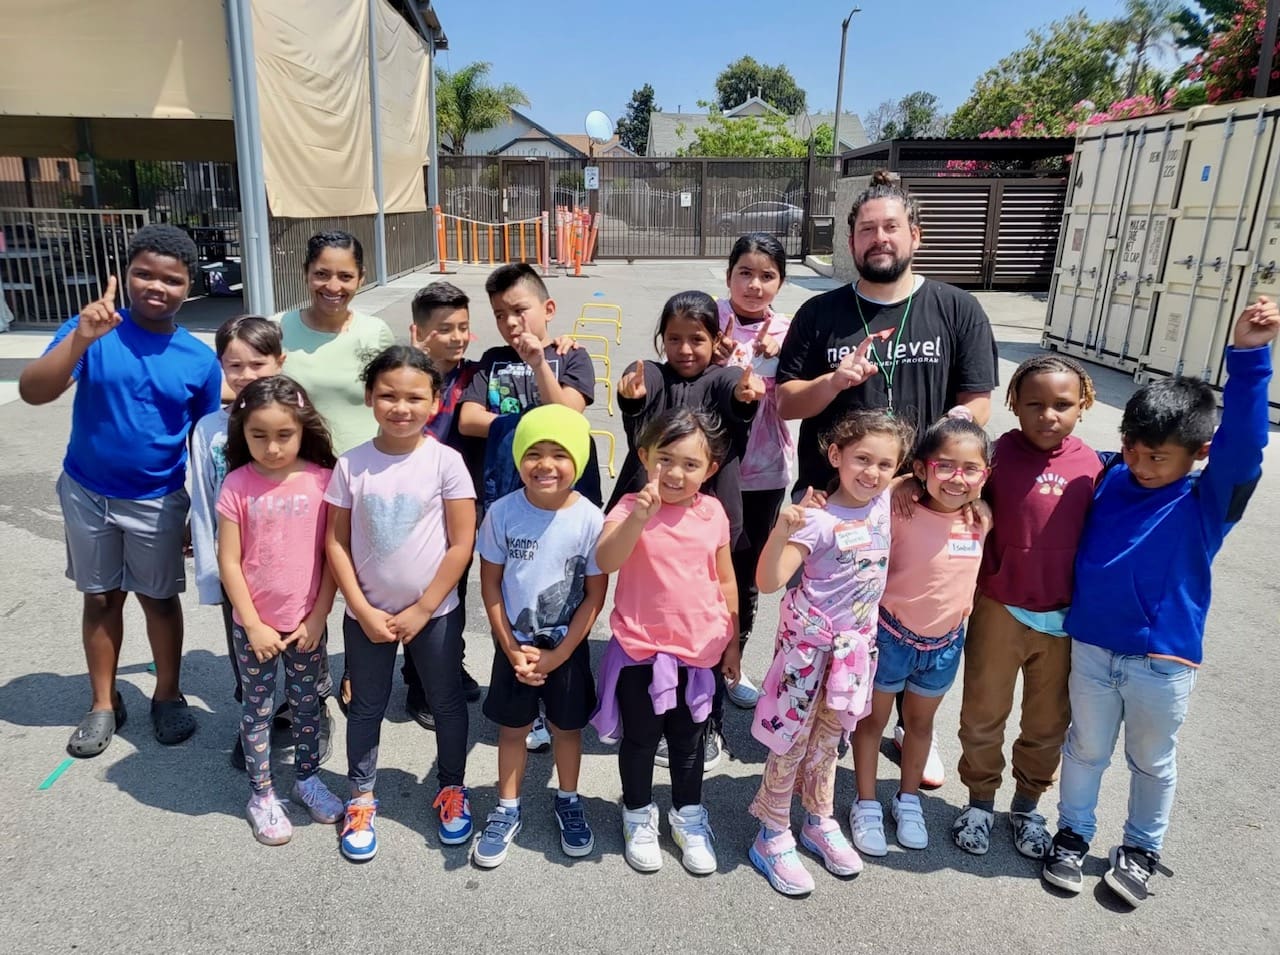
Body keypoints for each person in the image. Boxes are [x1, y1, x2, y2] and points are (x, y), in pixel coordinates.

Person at [1042, 299, 1277, 907]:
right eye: (1136, 450)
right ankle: (1072, 835)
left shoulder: (1208, 499)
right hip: (1092, 647)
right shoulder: (1114, 473)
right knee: (1086, 750)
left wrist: (1250, 358)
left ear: (1197, 454)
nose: (1144, 467)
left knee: (1151, 762)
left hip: (1162, 661)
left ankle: (1141, 848)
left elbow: (1246, 445)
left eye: (1160, 457)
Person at [777, 169, 999, 787]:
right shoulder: (821, 313)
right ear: (851, 241)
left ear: (915, 236)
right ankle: (828, 717)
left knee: (914, 614)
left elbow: (977, 400)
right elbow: (785, 402)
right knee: (834, 618)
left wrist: (942, 457)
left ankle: (908, 730)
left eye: (891, 227)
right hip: (837, 502)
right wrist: (836, 382)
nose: (880, 238)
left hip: (922, 505)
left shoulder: (955, 308)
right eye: (867, 228)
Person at [19, 224, 221, 758]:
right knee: (101, 596)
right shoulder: (92, 329)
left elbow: (204, 444)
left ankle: (168, 694)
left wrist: (195, 516)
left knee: (159, 598)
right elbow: (34, 391)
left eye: (172, 279)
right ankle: (103, 702)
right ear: (125, 276)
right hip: (87, 490)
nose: (157, 286)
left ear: (189, 286)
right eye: (144, 274)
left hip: (157, 497)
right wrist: (82, 337)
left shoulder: (198, 360)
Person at [748, 410, 912, 895]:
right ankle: (772, 830)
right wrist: (784, 527)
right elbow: (768, 580)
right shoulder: (816, 521)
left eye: (885, 463)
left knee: (829, 740)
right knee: (791, 741)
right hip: (808, 655)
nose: (873, 472)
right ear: (835, 456)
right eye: (862, 458)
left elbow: (932, 470)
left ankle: (818, 817)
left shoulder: (883, 503)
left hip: (855, 655)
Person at [324, 346, 477, 862]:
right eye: (388, 395)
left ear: (435, 402)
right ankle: (361, 796)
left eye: (415, 396)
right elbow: (336, 544)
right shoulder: (351, 465)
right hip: (365, 614)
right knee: (365, 707)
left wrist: (424, 606)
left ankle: (452, 789)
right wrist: (361, 609)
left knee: (446, 701)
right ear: (370, 397)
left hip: (433, 614)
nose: (400, 406)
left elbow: (461, 543)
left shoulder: (446, 462)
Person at [951, 355, 1100, 860]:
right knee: (983, 714)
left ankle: (1028, 806)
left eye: (1062, 404)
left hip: (1062, 617)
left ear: (1084, 404)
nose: (1047, 415)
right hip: (999, 606)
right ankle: (978, 802)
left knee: (1046, 722)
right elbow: (954, 495)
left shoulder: (1093, 466)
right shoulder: (994, 456)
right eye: (1034, 404)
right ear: (1013, 403)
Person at [607, 290, 764, 768]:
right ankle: (647, 702)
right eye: (673, 339)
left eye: (697, 339)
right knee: (656, 601)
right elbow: (644, 390)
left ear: (717, 339)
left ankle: (707, 712)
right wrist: (631, 399)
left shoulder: (722, 379)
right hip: (654, 511)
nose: (685, 349)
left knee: (715, 606)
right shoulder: (656, 373)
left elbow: (734, 395)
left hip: (710, 515)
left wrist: (743, 398)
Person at [593, 408, 742, 876]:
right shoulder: (627, 508)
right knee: (640, 740)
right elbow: (606, 558)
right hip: (642, 650)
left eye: (691, 464)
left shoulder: (713, 511)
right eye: (665, 460)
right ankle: (637, 812)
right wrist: (639, 515)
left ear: (710, 469)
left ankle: (689, 814)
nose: (676, 473)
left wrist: (733, 641)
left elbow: (725, 579)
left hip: (700, 653)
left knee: (689, 740)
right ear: (644, 456)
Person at [470, 406, 606, 868]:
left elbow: (593, 596)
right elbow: (489, 584)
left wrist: (560, 654)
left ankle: (568, 798)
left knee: (568, 730)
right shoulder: (503, 513)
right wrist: (509, 647)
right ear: (518, 457)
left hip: (565, 651)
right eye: (533, 453)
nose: (545, 464)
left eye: (559, 454)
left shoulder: (590, 519)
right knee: (512, 730)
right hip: (514, 649)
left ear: (579, 461)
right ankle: (507, 808)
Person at [850, 410, 992, 855]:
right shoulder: (899, 506)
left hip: (945, 644)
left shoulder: (982, 517)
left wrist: (931, 480)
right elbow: (876, 490)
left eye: (970, 469)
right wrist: (906, 483)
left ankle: (908, 798)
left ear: (985, 475)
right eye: (944, 466)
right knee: (872, 721)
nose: (957, 478)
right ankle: (866, 800)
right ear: (920, 468)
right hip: (890, 636)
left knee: (920, 725)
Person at [216, 375, 343, 844]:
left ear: (303, 429)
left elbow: (334, 556)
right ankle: (262, 794)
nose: (271, 447)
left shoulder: (322, 480)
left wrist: (318, 617)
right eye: (258, 436)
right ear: (242, 433)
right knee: (258, 707)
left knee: (308, 704)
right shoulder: (236, 484)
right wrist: (252, 624)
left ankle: (307, 778)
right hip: (256, 629)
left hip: (306, 625)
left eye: (284, 435)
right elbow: (229, 560)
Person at [189, 315, 294, 769]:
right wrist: (210, 574)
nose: (247, 375)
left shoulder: (297, 424)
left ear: (280, 362)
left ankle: (303, 710)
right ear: (221, 367)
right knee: (245, 643)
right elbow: (201, 500)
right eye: (235, 365)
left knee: (302, 641)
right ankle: (256, 715)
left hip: (290, 565)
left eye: (258, 364)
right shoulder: (209, 430)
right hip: (237, 565)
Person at [711, 233, 794, 710]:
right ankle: (695, 659)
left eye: (767, 276)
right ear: (729, 276)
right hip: (710, 469)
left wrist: (777, 364)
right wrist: (713, 358)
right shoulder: (707, 319)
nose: (755, 284)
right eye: (745, 272)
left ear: (779, 282)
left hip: (765, 473)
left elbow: (796, 401)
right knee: (702, 568)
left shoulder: (787, 330)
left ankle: (733, 663)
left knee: (745, 574)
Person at [459, 262, 601, 511]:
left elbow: (566, 417)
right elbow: (468, 420)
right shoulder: (492, 358)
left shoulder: (571, 356)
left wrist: (539, 365)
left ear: (549, 309)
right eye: (499, 315)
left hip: (558, 493)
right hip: (502, 492)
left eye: (519, 310)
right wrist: (530, 423)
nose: (510, 322)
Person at [405, 281, 484, 722]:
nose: (457, 337)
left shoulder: (476, 377)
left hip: (462, 505)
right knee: (420, 592)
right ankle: (419, 684)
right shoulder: (404, 379)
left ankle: (449, 663)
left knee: (453, 592)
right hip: (414, 507)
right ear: (418, 333)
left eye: (464, 327)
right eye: (445, 328)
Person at [276, 230, 396, 455]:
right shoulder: (278, 329)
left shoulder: (376, 332)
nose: (333, 286)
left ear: (361, 278)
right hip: (297, 473)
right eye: (322, 274)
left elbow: (395, 396)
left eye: (345, 276)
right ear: (306, 273)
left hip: (364, 472)